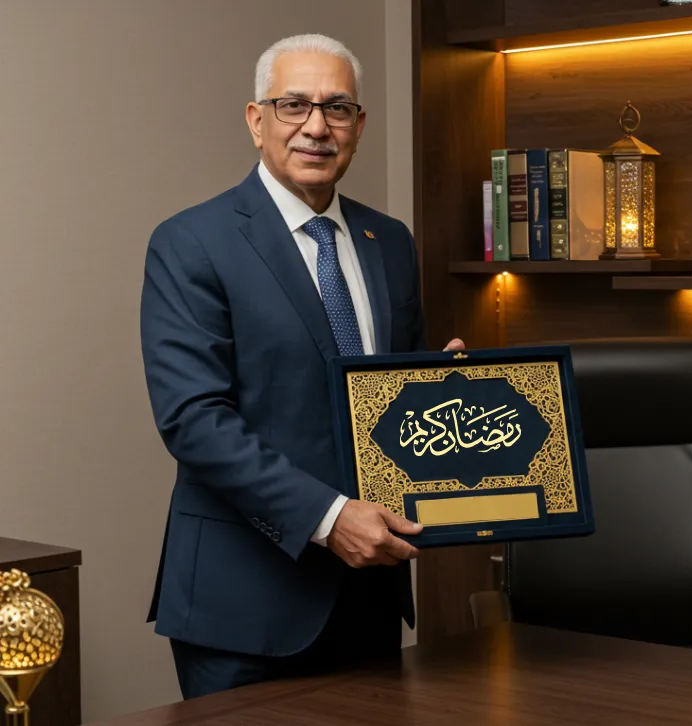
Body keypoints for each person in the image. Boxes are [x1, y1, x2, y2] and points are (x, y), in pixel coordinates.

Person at [139, 33, 463, 700]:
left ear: (359, 125)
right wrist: (329, 517)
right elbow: (195, 421)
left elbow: (386, 402)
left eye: (338, 108)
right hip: (244, 607)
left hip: (368, 599)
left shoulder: (390, 241)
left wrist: (446, 390)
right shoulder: (191, 243)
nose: (317, 126)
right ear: (257, 120)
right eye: (294, 106)